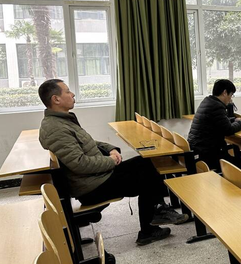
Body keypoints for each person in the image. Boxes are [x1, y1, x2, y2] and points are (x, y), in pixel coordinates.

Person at [37, 79, 188, 246]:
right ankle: (150, 226)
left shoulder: (62, 121)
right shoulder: (56, 128)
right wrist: (110, 161)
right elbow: (79, 163)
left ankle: (157, 212)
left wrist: (111, 149)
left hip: (95, 178)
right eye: (67, 91)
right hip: (91, 187)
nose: (72, 94)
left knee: (147, 162)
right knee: (147, 176)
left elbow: (88, 142)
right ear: (56, 99)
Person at [188, 79, 241, 171]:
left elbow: (218, 121)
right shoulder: (217, 106)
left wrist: (233, 120)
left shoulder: (208, 101)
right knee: (238, 164)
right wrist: (240, 123)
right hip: (207, 153)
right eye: (231, 95)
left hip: (198, 148)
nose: (231, 99)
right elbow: (228, 130)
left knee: (234, 159)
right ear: (225, 93)